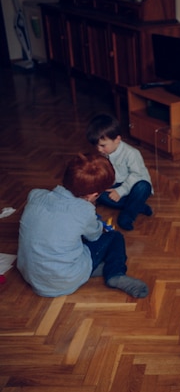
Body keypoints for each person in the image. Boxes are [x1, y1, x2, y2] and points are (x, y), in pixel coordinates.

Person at [17, 153, 149, 298]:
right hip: (64, 280)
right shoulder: (84, 210)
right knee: (114, 237)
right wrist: (97, 222)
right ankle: (115, 274)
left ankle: (97, 268)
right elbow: (95, 236)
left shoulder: (35, 195)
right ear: (92, 195)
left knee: (68, 238)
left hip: (31, 275)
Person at [86, 114, 153, 231]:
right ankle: (138, 206)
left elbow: (137, 175)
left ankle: (127, 216)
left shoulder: (132, 153)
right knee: (100, 195)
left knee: (144, 186)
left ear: (117, 139)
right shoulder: (104, 152)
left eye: (102, 145)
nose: (99, 149)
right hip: (115, 184)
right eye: (96, 145)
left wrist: (120, 191)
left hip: (133, 186)